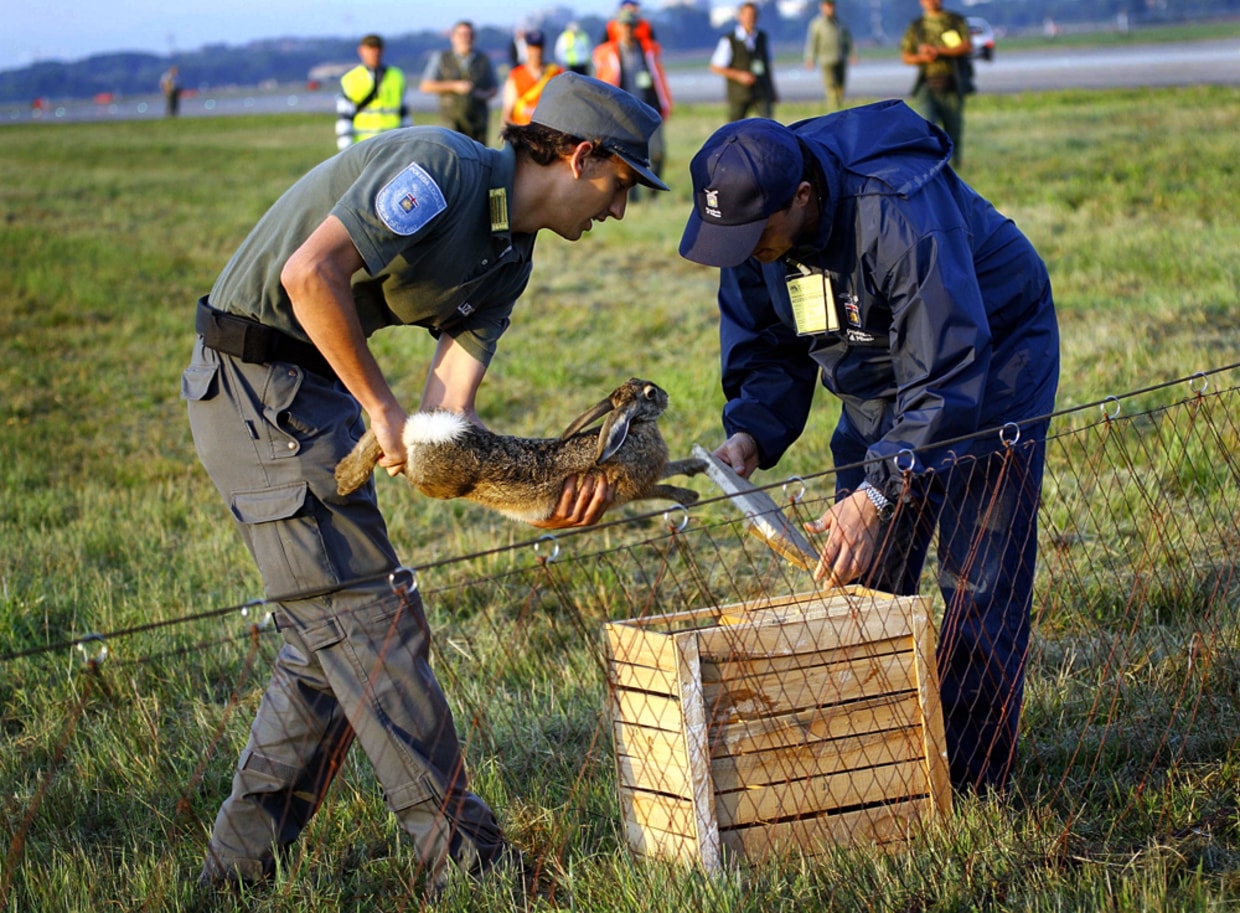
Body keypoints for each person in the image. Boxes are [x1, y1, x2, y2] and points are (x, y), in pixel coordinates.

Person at [184, 72, 669, 893]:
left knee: (326, 647)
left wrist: (542, 502)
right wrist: (380, 407)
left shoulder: (509, 261)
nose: (619, 210)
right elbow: (309, 277)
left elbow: (446, 422)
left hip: (316, 390)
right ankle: (470, 866)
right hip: (251, 379)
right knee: (374, 624)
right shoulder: (442, 170)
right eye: (620, 185)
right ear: (581, 156)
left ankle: (232, 876)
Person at [677, 103, 1059, 794]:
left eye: (754, 237)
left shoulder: (898, 211)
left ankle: (967, 782)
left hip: (991, 355)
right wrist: (752, 429)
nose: (743, 252)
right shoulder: (750, 226)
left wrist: (879, 489)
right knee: (859, 579)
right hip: (875, 372)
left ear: (802, 197)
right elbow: (766, 339)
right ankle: (876, 770)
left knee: (979, 576)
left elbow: (946, 370)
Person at [592, 6, 672, 196]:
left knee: (658, 152)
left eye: (631, 25)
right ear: (617, 27)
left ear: (636, 27)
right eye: (624, 25)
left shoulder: (648, 51)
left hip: (648, 109)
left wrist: (665, 104)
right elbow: (600, 81)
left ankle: (653, 194)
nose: (628, 29)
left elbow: (659, 79)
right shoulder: (608, 53)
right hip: (622, 113)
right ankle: (631, 196)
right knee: (626, 157)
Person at [900, 0, 973, 167]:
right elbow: (906, 56)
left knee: (953, 128)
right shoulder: (917, 26)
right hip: (927, 83)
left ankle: (954, 165)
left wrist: (938, 51)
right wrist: (922, 57)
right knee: (926, 125)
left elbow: (966, 46)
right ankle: (931, 165)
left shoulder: (955, 21)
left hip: (952, 82)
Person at [419, 20, 499, 145]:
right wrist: (454, 86)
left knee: (478, 155)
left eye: (469, 35)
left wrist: (483, 95)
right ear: (453, 38)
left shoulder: (483, 59)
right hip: (451, 122)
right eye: (462, 35)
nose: (466, 38)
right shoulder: (441, 58)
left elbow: (494, 88)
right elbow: (426, 86)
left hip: (477, 123)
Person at [335, 34, 410, 151]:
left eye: (377, 48)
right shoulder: (351, 79)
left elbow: (404, 112)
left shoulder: (397, 76)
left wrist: (407, 141)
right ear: (361, 50)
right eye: (370, 48)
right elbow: (344, 114)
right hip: (363, 145)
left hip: (392, 144)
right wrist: (346, 146)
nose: (375, 53)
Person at [709, 1, 778, 122]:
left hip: (761, 90)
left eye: (753, 15)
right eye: (747, 15)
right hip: (739, 93)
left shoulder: (761, 37)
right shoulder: (729, 40)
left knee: (768, 124)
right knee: (734, 126)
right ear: (740, 17)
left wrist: (772, 91)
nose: (750, 19)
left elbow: (767, 66)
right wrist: (739, 75)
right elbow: (715, 66)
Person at [501, 30, 564, 126]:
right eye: (533, 48)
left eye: (539, 48)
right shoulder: (516, 75)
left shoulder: (556, 73)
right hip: (522, 128)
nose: (536, 52)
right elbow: (508, 111)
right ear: (526, 49)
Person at [804, 0, 854, 112]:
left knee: (840, 87)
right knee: (831, 87)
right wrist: (810, 58)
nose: (829, 9)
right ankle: (833, 109)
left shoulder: (840, 23)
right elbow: (812, 42)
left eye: (831, 6)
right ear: (822, 7)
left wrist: (852, 54)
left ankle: (839, 108)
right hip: (826, 60)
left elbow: (848, 40)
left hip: (840, 58)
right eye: (827, 6)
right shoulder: (817, 24)